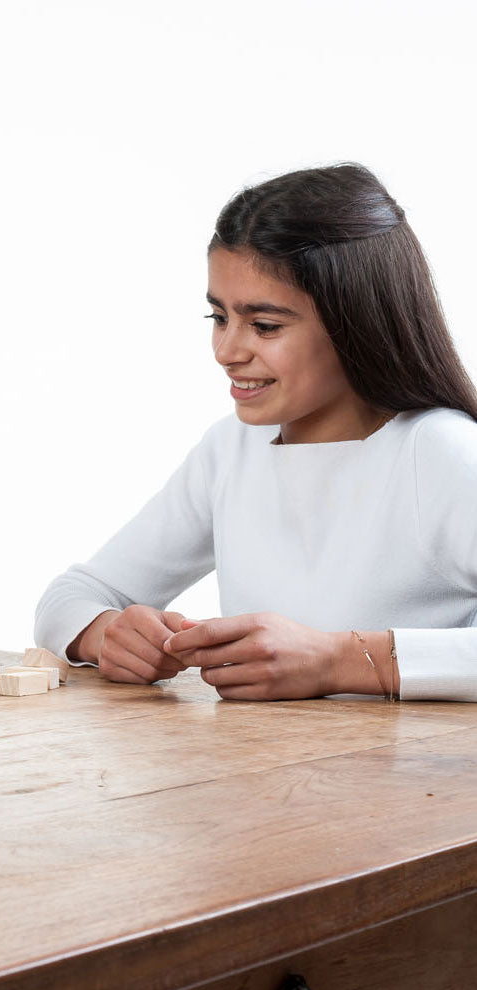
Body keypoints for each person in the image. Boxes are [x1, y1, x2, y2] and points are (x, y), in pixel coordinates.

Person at [35, 163, 477, 702]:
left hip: (415, 784)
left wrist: (338, 660)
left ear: (358, 322)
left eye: (265, 326)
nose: (227, 352)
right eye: (219, 318)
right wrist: (106, 633)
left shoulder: (439, 452)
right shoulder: (231, 451)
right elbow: (74, 594)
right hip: (260, 780)